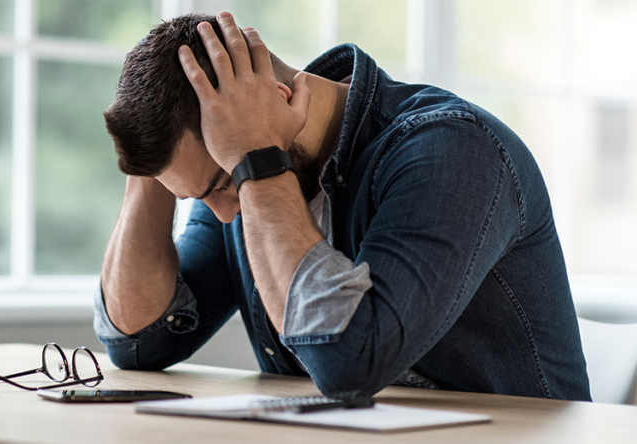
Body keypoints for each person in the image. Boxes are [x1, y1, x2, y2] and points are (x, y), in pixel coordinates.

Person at [93, 11, 591, 400]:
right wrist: (149, 160)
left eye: (222, 183)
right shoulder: (233, 176)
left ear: (282, 98)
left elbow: (351, 362)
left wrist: (256, 161)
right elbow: (140, 341)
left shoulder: (453, 149)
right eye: (200, 195)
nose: (225, 213)